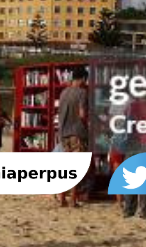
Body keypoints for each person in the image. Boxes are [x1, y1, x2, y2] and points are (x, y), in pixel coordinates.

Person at [57, 69, 88, 208]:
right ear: (81, 79)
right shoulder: (82, 93)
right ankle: (73, 200)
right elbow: (82, 114)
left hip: (63, 133)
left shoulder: (63, 92)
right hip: (76, 133)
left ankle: (62, 199)